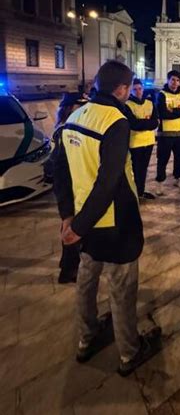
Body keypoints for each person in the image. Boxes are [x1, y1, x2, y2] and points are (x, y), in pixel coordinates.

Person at [54, 60, 161, 375]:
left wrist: (68, 218)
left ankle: (87, 338)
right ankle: (130, 352)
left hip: (84, 225)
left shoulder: (74, 117)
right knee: (122, 289)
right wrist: (79, 225)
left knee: (86, 281)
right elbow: (109, 180)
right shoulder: (115, 120)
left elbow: (59, 170)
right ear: (122, 89)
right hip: (114, 225)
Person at [47, 91, 88, 283]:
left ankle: (69, 268)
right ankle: (69, 271)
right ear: (69, 108)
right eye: (80, 105)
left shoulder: (71, 128)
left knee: (73, 230)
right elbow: (59, 172)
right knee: (70, 228)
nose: (84, 109)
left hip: (76, 187)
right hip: (69, 190)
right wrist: (65, 210)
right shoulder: (64, 132)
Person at [155, 70, 180, 195]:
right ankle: (160, 183)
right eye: (173, 80)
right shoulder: (161, 95)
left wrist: (173, 110)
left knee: (179, 158)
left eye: (177, 80)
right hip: (165, 134)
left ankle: (179, 179)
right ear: (168, 80)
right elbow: (163, 114)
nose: (175, 83)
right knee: (162, 159)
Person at [125, 78, 158, 200]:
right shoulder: (127, 105)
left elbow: (155, 123)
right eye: (134, 89)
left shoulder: (150, 104)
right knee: (135, 170)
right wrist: (147, 123)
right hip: (135, 143)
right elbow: (133, 124)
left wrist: (142, 123)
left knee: (143, 169)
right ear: (131, 91)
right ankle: (133, 193)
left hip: (148, 142)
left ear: (143, 89)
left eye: (140, 89)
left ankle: (140, 191)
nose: (138, 92)